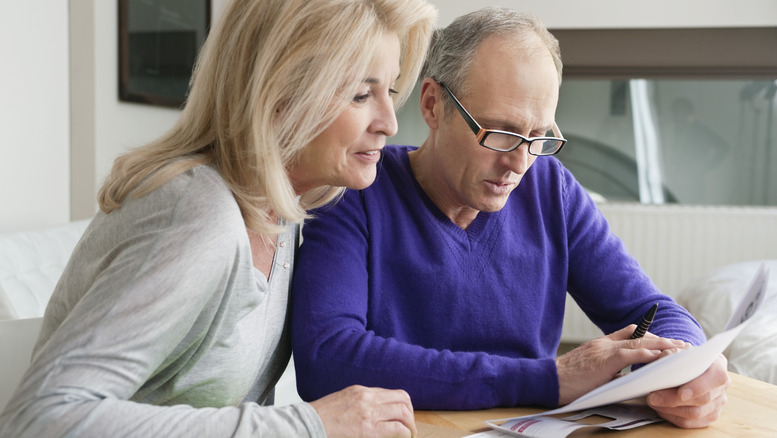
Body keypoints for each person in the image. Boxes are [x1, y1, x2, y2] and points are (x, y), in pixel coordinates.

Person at [0, 0, 436, 436]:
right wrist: (305, 426)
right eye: (362, 94)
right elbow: (40, 418)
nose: (389, 123)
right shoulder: (198, 216)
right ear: (280, 95)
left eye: (392, 91)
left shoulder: (279, 211)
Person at [291, 7, 731, 429]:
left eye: (538, 137)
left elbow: (652, 311)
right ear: (432, 105)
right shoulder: (353, 190)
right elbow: (327, 358)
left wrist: (685, 365)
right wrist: (548, 378)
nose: (520, 163)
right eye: (501, 134)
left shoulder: (550, 188)